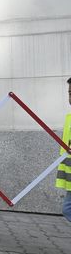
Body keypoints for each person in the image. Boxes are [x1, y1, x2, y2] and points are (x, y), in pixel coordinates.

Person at [56, 77, 71, 224]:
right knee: (67, 208)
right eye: (70, 93)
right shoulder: (70, 118)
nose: (70, 97)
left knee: (67, 209)